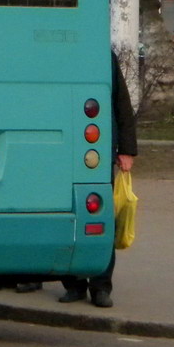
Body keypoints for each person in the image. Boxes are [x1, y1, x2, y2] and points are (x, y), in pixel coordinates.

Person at [59, 51, 138, 308]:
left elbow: (121, 103)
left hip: (97, 150)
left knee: (99, 216)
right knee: (69, 214)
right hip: (67, 147)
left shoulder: (104, 55)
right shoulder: (60, 56)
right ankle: (74, 284)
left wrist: (126, 149)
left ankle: (101, 286)